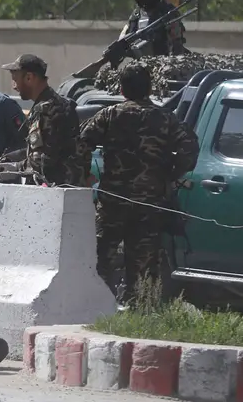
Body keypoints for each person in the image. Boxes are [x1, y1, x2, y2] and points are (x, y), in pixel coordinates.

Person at [79, 64, 199, 305]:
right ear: (149, 88)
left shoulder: (109, 115)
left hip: (113, 201)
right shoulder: (166, 119)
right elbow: (190, 149)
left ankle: (96, 306)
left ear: (122, 89)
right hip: (149, 203)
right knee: (143, 264)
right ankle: (139, 312)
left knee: (99, 257)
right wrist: (170, 174)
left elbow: (81, 143)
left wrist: (85, 174)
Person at [0, 54, 86, 186]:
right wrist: (12, 157)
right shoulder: (52, 104)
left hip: (56, 189)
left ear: (29, 78)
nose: (14, 86)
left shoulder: (46, 109)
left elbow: (41, 161)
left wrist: (16, 168)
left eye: (15, 80)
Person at [115, 0, 187, 58]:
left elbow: (177, 46)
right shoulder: (136, 15)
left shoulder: (167, 13)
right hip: (140, 66)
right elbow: (123, 40)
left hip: (163, 65)